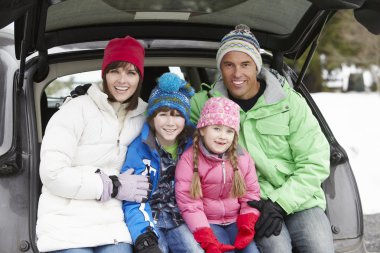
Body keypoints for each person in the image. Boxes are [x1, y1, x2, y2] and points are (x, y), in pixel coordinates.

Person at [190, 24, 335, 253]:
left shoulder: (289, 102)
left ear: (256, 66)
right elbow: (170, 120)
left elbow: (314, 161)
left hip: (299, 200)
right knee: (276, 249)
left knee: (319, 247)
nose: (237, 74)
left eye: (245, 64)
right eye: (229, 65)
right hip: (249, 204)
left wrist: (279, 203)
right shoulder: (205, 104)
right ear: (220, 68)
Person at [36, 36, 151, 253]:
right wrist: (112, 185)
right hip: (65, 225)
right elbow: (52, 174)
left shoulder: (145, 116)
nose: (122, 80)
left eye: (131, 72)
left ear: (140, 78)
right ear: (104, 74)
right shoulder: (76, 109)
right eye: (115, 70)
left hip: (113, 225)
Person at [121, 72, 203, 253]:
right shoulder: (139, 150)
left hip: (181, 218)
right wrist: (144, 235)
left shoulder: (193, 146)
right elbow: (134, 201)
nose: (170, 122)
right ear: (152, 118)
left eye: (177, 115)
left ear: (185, 119)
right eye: (163, 114)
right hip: (151, 220)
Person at [175, 97, 261, 253]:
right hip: (209, 223)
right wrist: (206, 236)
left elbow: (251, 194)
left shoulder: (242, 158)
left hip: (237, 221)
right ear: (202, 129)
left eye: (229, 131)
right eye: (216, 128)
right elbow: (190, 205)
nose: (223, 136)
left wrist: (247, 223)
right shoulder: (189, 161)